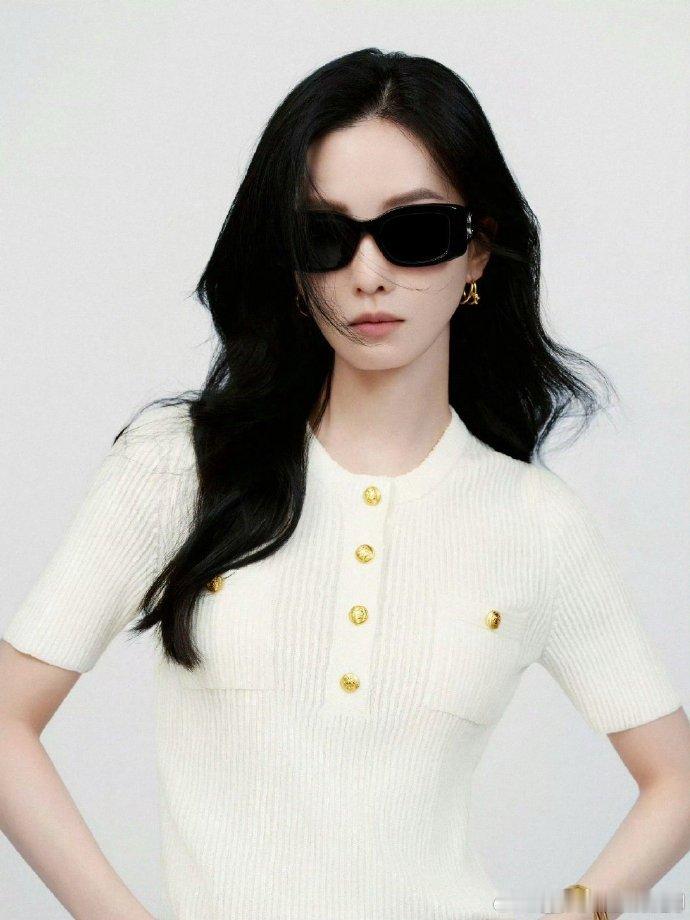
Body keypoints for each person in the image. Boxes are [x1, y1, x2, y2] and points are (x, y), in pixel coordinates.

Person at [1, 47, 688, 920]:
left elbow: (676, 781)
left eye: (416, 232)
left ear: (478, 251)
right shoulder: (180, 465)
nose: (368, 274)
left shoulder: (534, 521)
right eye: (325, 236)